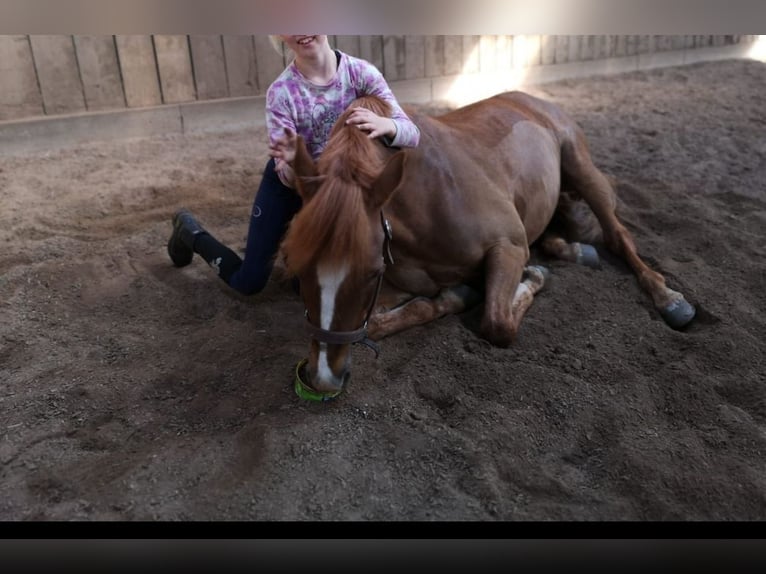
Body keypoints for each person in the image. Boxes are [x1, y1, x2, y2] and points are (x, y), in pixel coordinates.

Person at [167, 35, 420, 295]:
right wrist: (293, 162)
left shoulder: (361, 74)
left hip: (337, 187)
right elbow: (287, 175)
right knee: (249, 282)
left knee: (309, 282)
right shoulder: (281, 92)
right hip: (294, 185)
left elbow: (412, 134)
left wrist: (389, 125)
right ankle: (191, 233)